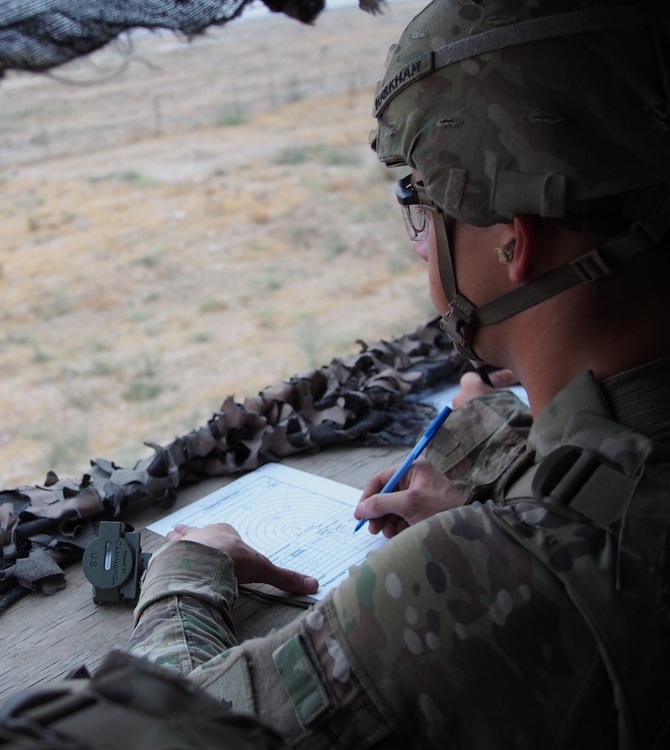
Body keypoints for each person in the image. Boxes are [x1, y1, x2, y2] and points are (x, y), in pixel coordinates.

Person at [125, 1, 670, 747]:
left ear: (515, 242)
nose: (420, 244)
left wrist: (188, 570)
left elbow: (165, 732)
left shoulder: (498, 574)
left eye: (419, 199)